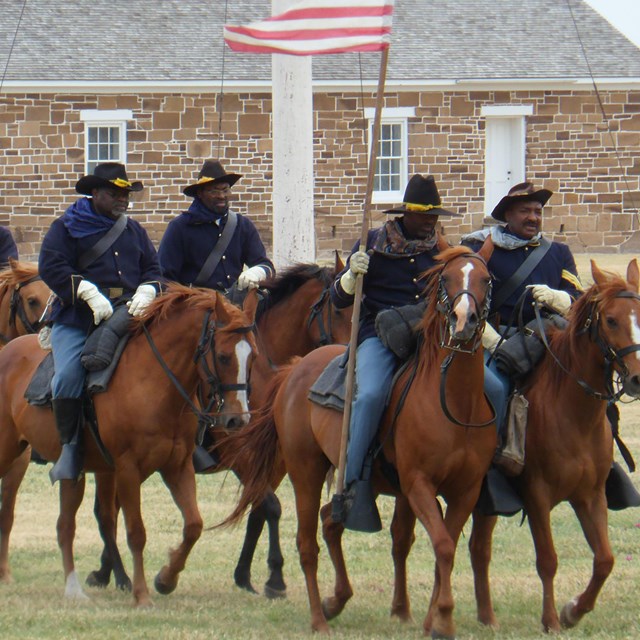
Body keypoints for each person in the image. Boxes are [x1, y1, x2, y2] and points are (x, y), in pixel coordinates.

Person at [331, 174, 461, 531]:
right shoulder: (372, 244)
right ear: (406, 214)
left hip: (430, 339)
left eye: (435, 215)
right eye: (425, 214)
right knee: (371, 395)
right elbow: (338, 299)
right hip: (379, 335)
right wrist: (349, 277)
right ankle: (353, 483)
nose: (431, 221)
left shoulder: (444, 251)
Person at [39, 162, 162, 483]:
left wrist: (149, 289)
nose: (122, 200)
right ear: (95, 194)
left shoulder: (134, 230)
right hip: (78, 316)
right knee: (66, 376)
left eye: (125, 194)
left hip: (128, 314)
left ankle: (184, 440)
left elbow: (154, 269)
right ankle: (69, 447)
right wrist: (85, 291)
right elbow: (51, 266)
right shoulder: (65, 227)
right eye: (114, 194)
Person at [158, 159, 275, 471]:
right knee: (201, 369)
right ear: (200, 193)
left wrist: (258, 273)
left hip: (233, 311)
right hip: (195, 315)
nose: (222, 194)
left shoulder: (242, 226)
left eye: (225, 188)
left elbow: (264, 262)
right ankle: (196, 437)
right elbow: (165, 278)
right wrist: (195, 301)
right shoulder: (180, 228)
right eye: (215, 189)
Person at [462, 182, 583, 440]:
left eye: (538, 211)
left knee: (591, 390)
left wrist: (558, 297)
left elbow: (578, 300)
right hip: (496, 341)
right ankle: (492, 454)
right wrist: (489, 338)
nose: (533, 218)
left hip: (547, 341)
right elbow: (464, 299)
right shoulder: (478, 247)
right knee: (495, 390)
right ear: (508, 215)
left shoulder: (558, 252)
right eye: (524, 211)